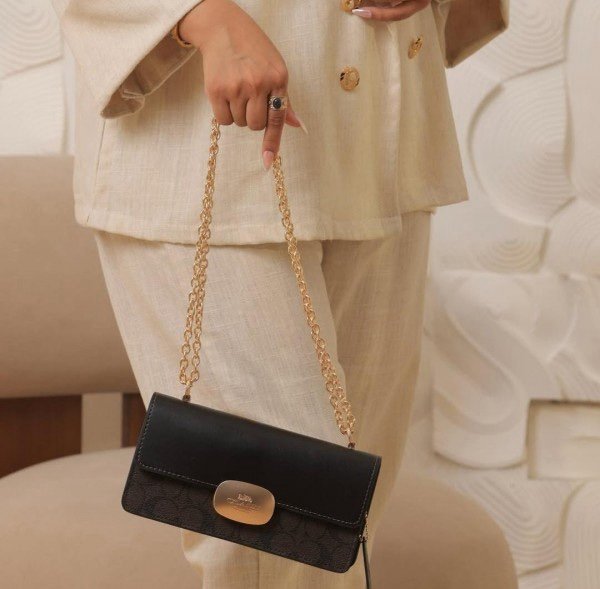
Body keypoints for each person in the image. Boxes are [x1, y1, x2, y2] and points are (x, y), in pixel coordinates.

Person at [51, 0, 508, 587]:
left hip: (384, 134)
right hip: (209, 134)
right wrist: (203, 16)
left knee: (344, 523)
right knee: (281, 533)